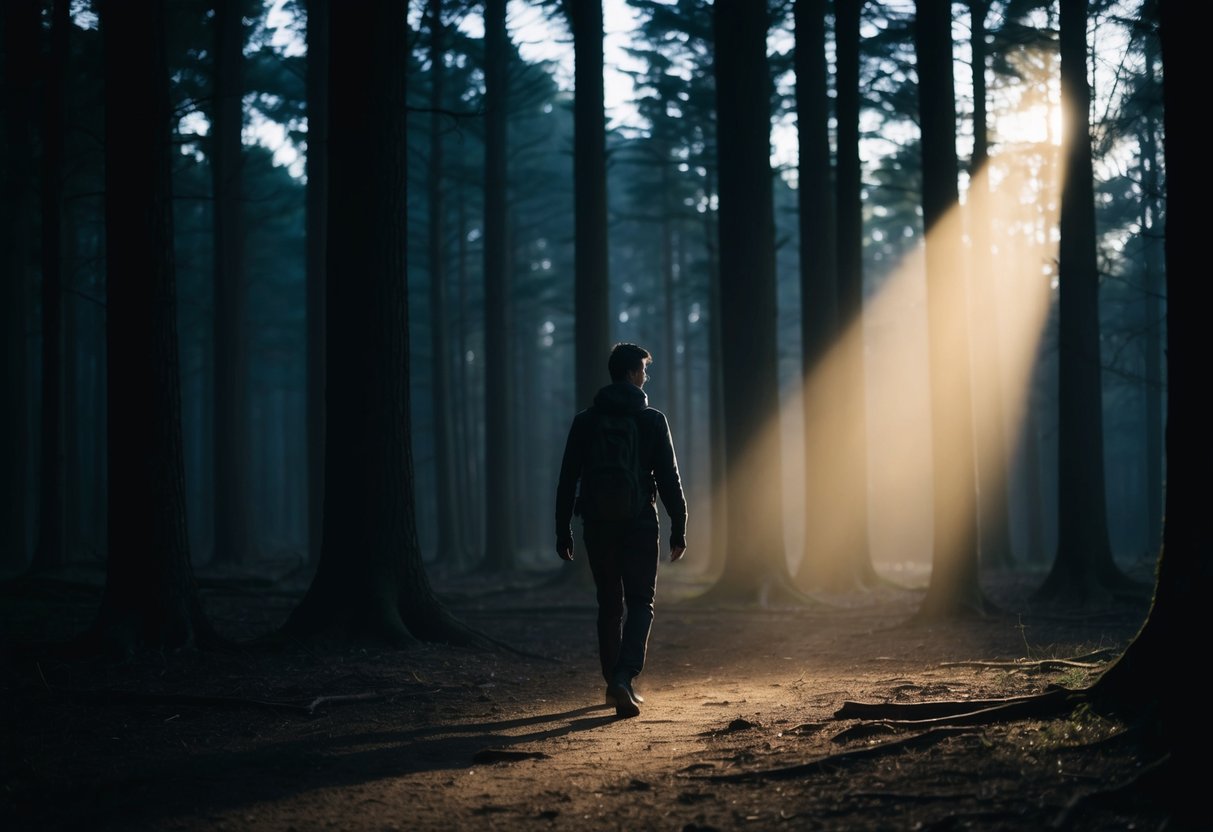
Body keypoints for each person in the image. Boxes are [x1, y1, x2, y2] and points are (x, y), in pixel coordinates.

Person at [555, 343, 687, 718]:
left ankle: (613, 681)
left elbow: (568, 478)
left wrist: (562, 528)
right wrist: (680, 525)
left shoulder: (585, 420)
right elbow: (668, 477)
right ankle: (624, 678)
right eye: (643, 370)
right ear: (632, 373)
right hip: (641, 521)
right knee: (641, 601)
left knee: (609, 604)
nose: (645, 376)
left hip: (596, 523)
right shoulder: (652, 420)